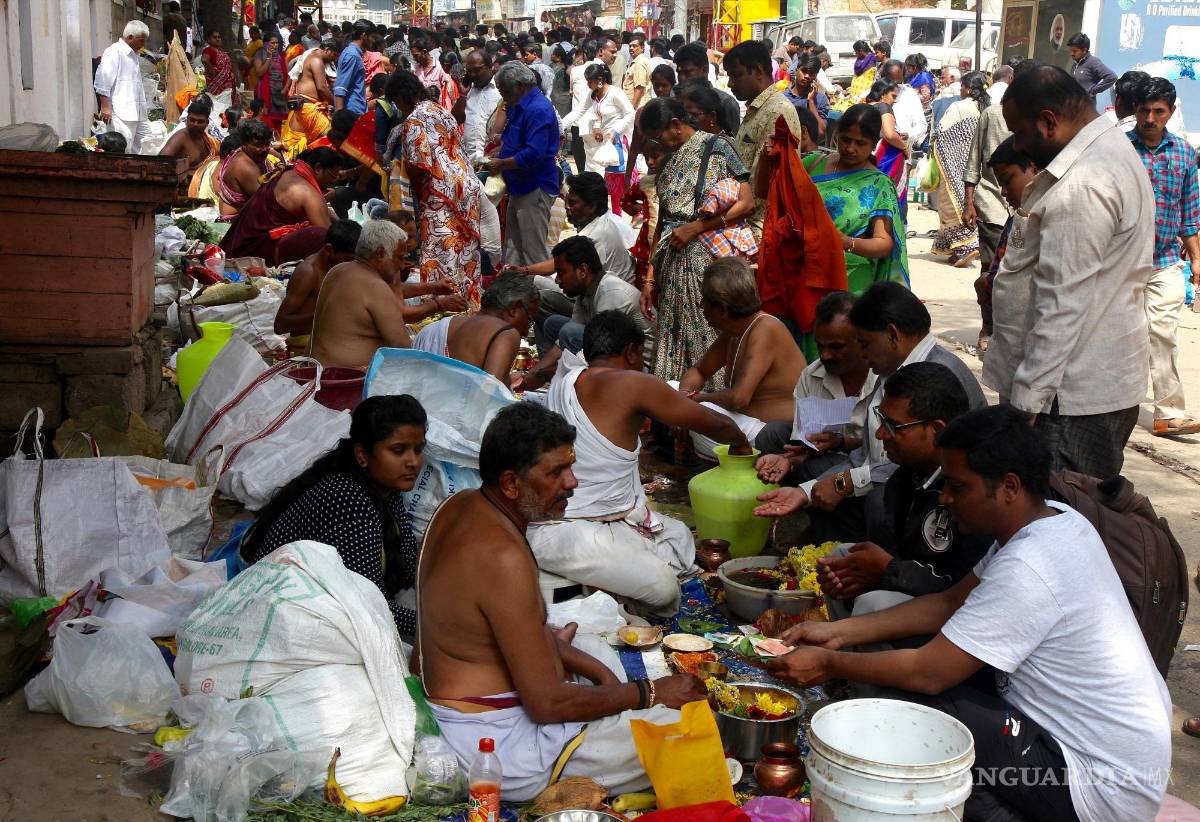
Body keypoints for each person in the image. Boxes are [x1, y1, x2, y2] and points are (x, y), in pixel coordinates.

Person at [766, 404, 1172, 822]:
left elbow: (930, 672)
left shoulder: (1033, 564)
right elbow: (947, 604)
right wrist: (840, 634)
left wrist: (830, 663)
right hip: (1088, 751)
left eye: (958, 487)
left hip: (1093, 787)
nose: (945, 498)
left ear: (1009, 487)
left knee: (910, 703)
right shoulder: (1053, 520)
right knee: (892, 660)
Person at [417, 402, 706, 800]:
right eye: (556, 472)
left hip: (473, 702)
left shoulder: (460, 506)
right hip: (496, 746)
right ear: (511, 484)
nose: (572, 483)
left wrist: (570, 659)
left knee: (588, 645)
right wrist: (650, 693)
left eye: (570, 467)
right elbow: (547, 704)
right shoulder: (503, 556)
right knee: (688, 729)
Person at [527, 311, 751, 614]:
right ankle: (579, 591)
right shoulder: (634, 383)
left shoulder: (564, 380)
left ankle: (591, 584)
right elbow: (714, 424)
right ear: (631, 351)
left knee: (681, 538)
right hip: (566, 530)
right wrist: (740, 443)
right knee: (663, 589)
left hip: (595, 525)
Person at [987, 66, 1152, 477]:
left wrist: (1026, 404)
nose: (1019, 148)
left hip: (1068, 399)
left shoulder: (1084, 185)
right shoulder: (1107, 150)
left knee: (1062, 517)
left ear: (1048, 121)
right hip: (1083, 388)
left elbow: (1062, 305)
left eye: (1020, 134)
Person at [754, 282, 985, 542]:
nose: (862, 353)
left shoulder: (938, 374)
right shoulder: (889, 373)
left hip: (937, 498)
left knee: (878, 499)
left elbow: (910, 471)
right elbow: (865, 457)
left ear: (892, 334)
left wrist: (843, 482)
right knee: (822, 477)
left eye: (865, 343)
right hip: (891, 481)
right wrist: (806, 492)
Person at [240, 395, 427, 638]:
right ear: (363, 455)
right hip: (278, 611)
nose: (413, 462)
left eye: (418, 449)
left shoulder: (387, 490)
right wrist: (439, 626)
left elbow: (410, 562)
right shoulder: (348, 500)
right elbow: (369, 608)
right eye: (398, 450)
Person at [819, 362, 992, 625]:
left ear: (936, 429)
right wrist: (866, 576)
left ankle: (858, 657)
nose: (880, 434)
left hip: (961, 615)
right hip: (913, 585)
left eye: (893, 426)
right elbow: (901, 558)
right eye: (881, 420)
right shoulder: (905, 477)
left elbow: (963, 589)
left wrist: (887, 570)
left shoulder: (971, 490)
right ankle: (845, 647)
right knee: (842, 560)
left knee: (873, 604)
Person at [637, 97, 753, 384]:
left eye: (658, 135)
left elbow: (746, 202)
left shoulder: (717, 148)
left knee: (708, 332)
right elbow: (662, 222)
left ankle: (711, 406)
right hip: (671, 261)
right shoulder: (666, 162)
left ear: (675, 125)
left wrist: (697, 227)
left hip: (707, 260)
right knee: (672, 335)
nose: (658, 144)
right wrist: (650, 279)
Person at [678, 258, 807, 456]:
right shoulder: (734, 330)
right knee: (671, 390)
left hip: (772, 435)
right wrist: (685, 395)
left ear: (722, 310)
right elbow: (700, 371)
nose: (701, 305)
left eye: (704, 300)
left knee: (696, 411)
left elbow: (739, 399)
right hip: (745, 425)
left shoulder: (765, 328)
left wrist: (696, 399)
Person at [1129, 77, 1200, 436]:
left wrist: (1197, 259)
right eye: (1144, 110)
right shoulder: (1120, 149)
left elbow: (1190, 213)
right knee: (1123, 335)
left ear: (1170, 112)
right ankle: (1112, 402)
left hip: (1166, 260)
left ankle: (1169, 411)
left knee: (1163, 332)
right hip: (1121, 261)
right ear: (1136, 112)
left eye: (1158, 111)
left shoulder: (1185, 153)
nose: (1151, 118)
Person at [384, 70, 483, 309]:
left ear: (402, 96)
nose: (398, 108)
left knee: (443, 255)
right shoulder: (439, 110)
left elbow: (420, 164)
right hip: (466, 189)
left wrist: (397, 168)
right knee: (466, 254)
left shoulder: (414, 120)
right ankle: (470, 305)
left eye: (396, 102)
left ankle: (447, 312)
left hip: (441, 196)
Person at [511, 172, 636, 339]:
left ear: (591, 206)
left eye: (572, 203)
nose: (566, 207)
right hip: (597, 299)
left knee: (540, 296)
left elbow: (569, 277)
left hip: (611, 315)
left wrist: (530, 276)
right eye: (567, 201)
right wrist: (525, 271)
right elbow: (562, 262)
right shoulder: (597, 223)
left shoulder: (596, 236)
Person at [754, 291, 876, 460]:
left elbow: (885, 448)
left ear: (862, 341)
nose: (825, 355)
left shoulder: (885, 375)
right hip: (823, 456)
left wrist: (840, 443)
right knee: (772, 434)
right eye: (820, 346)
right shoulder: (811, 376)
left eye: (836, 347)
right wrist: (789, 460)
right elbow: (806, 443)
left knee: (817, 466)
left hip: (872, 464)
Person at [522, 237, 654, 390]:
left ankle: (575, 385)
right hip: (611, 352)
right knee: (554, 324)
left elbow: (601, 350)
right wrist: (536, 371)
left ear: (583, 271)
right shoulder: (586, 290)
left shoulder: (612, 294)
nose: (557, 280)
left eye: (561, 272)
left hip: (640, 368)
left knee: (569, 331)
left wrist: (547, 373)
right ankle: (556, 380)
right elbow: (563, 342)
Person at [801, 105, 908, 293]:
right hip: (803, 270)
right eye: (846, 140)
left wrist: (845, 242)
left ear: (874, 145)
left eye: (860, 143)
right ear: (836, 135)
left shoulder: (878, 184)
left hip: (851, 280)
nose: (850, 148)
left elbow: (883, 243)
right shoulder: (813, 163)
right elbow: (768, 194)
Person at [484, 62, 561, 267]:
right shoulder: (519, 105)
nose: (503, 96)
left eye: (505, 91)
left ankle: (541, 296)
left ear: (519, 87)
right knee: (513, 249)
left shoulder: (538, 109)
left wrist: (501, 163)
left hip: (534, 186)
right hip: (519, 186)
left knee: (533, 252)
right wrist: (501, 151)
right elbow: (517, 140)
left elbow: (534, 153)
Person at [724, 40, 803, 238]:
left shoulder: (778, 111)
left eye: (736, 75)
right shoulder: (756, 109)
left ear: (758, 70)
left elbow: (768, 187)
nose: (730, 83)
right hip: (740, 219)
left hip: (758, 227)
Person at [309, 220, 414, 368]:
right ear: (381, 254)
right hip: (344, 382)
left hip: (317, 372)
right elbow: (403, 348)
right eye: (400, 258)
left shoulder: (337, 270)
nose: (402, 266)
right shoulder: (375, 286)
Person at [963, 67, 1016, 348]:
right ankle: (988, 327)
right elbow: (974, 160)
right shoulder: (991, 115)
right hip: (992, 201)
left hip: (1025, 209)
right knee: (990, 268)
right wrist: (969, 201)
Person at [219, 146, 339, 265]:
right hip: (259, 252)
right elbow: (328, 236)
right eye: (332, 177)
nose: (333, 182)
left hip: (240, 242)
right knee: (318, 236)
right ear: (318, 168)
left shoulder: (289, 171)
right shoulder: (307, 192)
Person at [413, 272, 537, 383]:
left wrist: (508, 380)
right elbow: (491, 395)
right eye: (529, 319)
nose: (526, 332)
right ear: (514, 308)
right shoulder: (506, 334)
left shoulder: (430, 330)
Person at [930, 71, 990, 268]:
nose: (961, 90)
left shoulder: (958, 106)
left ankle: (964, 247)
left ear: (969, 88)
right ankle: (955, 248)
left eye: (963, 86)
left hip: (954, 164)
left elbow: (942, 132)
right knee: (969, 203)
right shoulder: (986, 108)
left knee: (949, 203)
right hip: (976, 165)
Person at [274, 219, 362, 338]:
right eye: (348, 259)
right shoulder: (308, 273)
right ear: (329, 250)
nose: (352, 265)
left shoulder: (340, 266)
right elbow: (280, 325)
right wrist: (328, 315)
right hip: (307, 344)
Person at [579, 63, 635, 213]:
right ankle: (614, 217)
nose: (587, 84)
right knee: (609, 186)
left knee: (619, 186)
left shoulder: (615, 93)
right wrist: (596, 127)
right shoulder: (595, 95)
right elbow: (590, 113)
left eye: (589, 81)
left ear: (599, 79)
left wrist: (615, 131)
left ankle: (627, 215)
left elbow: (631, 113)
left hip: (618, 143)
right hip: (606, 144)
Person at [94, 21, 150, 154]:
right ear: (130, 37)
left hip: (138, 111)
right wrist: (105, 106)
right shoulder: (114, 51)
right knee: (124, 146)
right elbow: (103, 80)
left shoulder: (134, 54)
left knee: (146, 145)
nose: (143, 45)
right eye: (141, 41)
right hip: (120, 111)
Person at [284, 38, 339, 156]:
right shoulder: (316, 60)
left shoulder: (315, 58)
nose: (335, 59)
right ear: (327, 50)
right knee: (331, 136)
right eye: (335, 55)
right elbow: (321, 88)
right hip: (309, 108)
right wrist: (336, 104)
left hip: (308, 106)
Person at [673, 42, 740, 134]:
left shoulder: (726, 103)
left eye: (687, 72)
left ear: (705, 70)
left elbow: (732, 142)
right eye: (679, 73)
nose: (682, 78)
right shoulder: (675, 100)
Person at [865, 80, 910, 217]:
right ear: (883, 94)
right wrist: (904, 147)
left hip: (867, 161)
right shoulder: (883, 107)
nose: (894, 101)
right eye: (893, 96)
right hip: (884, 163)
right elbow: (889, 134)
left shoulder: (865, 107)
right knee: (889, 204)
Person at [216, 118, 272, 217]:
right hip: (234, 221)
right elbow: (268, 202)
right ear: (245, 144)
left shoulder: (250, 154)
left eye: (267, 144)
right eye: (258, 145)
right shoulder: (245, 166)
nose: (264, 149)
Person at [454, 49, 502, 163]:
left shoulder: (501, 90)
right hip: (470, 160)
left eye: (477, 70)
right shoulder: (468, 92)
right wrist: (463, 95)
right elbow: (456, 120)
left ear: (490, 66)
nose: (473, 74)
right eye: (469, 71)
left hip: (494, 159)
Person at [159, 95, 219, 183]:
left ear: (207, 123)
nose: (195, 124)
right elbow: (159, 165)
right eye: (192, 120)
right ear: (187, 119)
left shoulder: (207, 139)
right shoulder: (181, 138)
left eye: (200, 121)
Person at [784, 55, 830, 140]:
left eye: (811, 73)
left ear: (815, 76)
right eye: (804, 71)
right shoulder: (783, 97)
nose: (807, 76)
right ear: (796, 70)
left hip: (809, 152)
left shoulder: (820, 99)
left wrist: (811, 101)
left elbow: (821, 133)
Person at [1067, 33, 1117, 107]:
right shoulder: (1075, 64)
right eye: (1071, 51)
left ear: (1084, 50)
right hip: (1074, 106)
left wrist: (1093, 92)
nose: (1071, 54)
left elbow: (1112, 77)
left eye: (1075, 51)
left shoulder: (1093, 62)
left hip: (1086, 108)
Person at [410, 32, 457, 111]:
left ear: (424, 52)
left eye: (416, 55)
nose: (414, 58)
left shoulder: (439, 68)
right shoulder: (416, 69)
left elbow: (447, 94)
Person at [255, 33, 289, 131]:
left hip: (280, 94)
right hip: (267, 92)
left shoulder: (281, 55)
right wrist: (269, 58)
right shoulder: (260, 54)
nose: (275, 45)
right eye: (272, 43)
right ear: (265, 43)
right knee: (266, 120)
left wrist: (285, 88)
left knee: (278, 123)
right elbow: (259, 73)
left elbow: (288, 74)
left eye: (277, 43)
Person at [335, 21, 369, 116]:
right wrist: (339, 118)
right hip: (352, 111)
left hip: (355, 109)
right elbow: (341, 87)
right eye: (372, 37)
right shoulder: (352, 55)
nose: (374, 41)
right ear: (364, 36)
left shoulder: (352, 52)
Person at [201, 31, 237, 100]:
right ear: (209, 40)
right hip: (217, 85)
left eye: (219, 37)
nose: (217, 39)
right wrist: (213, 72)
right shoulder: (208, 50)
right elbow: (204, 60)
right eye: (214, 37)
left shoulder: (220, 51)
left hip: (227, 86)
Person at [843, 40, 877, 106]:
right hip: (854, 92)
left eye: (856, 51)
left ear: (861, 50)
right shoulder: (859, 59)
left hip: (864, 92)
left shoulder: (872, 59)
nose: (855, 53)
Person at [623, 34, 651, 109]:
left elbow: (639, 88)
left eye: (634, 46)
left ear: (642, 48)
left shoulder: (639, 63)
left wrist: (631, 110)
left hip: (638, 106)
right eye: (630, 46)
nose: (631, 48)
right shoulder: (636, 61)